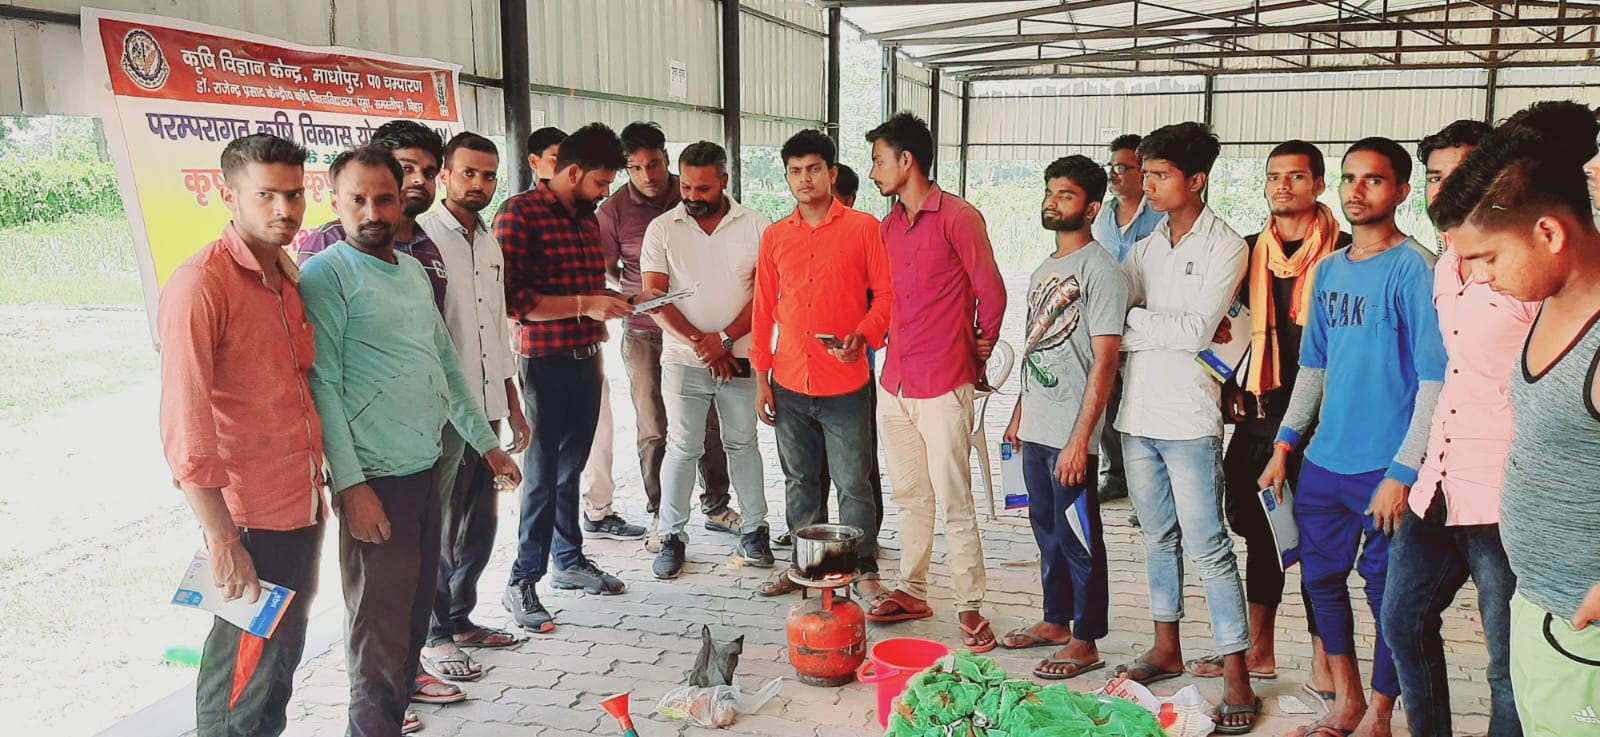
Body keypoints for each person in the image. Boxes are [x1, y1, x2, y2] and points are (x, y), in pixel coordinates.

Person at [300, 145, 520, 737]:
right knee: (379, 629)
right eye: (358, 200)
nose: (372, 212)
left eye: (384, 199)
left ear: (403, 200)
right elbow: (323, 386)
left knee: (413, 619)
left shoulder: (414, 271)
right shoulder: (326, 275)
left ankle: (390, 724)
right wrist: (352, 487)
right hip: (376, 480)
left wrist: (487, 445)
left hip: (425, 467)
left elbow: (446, 364)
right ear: (335, 201)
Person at [1260, 137, 1446, 737]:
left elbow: (1434, 379)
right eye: (1349, 178)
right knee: (1320, 581)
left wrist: (1404, 470)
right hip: (1324, 462)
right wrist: (1285, 445)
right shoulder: (1329, 269)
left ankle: (1381, 715)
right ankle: (1347, 700)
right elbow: (1313, 367)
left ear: (1401, 191)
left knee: (1388, 596)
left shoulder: (1415, 268)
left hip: (1385, 469)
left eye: (1373, 179)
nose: (1357, 190)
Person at [1429, 102, 1600, 737]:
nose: (1477, 278)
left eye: (1487, 258)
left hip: (1585, 624)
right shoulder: (1550, 298)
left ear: (1549, 233)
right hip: (1538, 599)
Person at [1383, 116, 1551, 737]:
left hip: (1505, 490)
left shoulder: (1529, 266)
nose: (1445, 189)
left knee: (1507, 659)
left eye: (1462, 175)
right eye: (1435, 177)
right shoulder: (1444, 265)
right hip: (1439, 480)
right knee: (1402, 624)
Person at [158, 134, 326, 737]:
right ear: (228, 195)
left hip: (301, 501)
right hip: (250, 519)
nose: (285, 209)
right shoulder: (201, 283)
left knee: (276, 665)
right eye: (266, 195)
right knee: (243, 678)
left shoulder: (287, 275)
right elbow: (186, 425)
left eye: (295, 194)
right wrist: (223, 538)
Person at [1112, 122, 1256, 732]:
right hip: (1137, 413)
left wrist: (1140, 323)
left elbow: (1198, 332)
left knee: (1209, 546)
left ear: (1196, 180)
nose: (1147, 184)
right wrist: (1146, 325)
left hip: (1191, 416)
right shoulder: (1144, 248)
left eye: (1160, 174)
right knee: (1157, 539)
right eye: (1144, 174)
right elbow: (1115, 320)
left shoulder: (1226, 245)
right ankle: (1166, 647)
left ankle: (1237, 673)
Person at [1194, 141, 1345, 701]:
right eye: (1274, 176)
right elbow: (1228, 328)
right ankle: (1259, 650)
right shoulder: (1248, 251)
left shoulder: (1344, 253)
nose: (1283, 186)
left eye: (1297, 176)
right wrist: (1229, 387)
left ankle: (1325, 664)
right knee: (1262, 536)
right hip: (1260, 416)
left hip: (1325, 423)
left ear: (1319, 185)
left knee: (1319, 546)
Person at [865, 112, 1006, 653]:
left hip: (944, 380)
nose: (874, 172)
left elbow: (991, 292)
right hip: (894, 380)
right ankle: (912, 589)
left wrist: (981, 345)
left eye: (880, 161)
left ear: (907, 161)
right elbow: (885, 300)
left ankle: (970, 604)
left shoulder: (959, 217)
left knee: (954, 499)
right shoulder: (888, 227)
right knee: (910, 494)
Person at [496, 123, 632, 633]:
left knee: (568, 472)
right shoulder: (519, 213)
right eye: (600, 183)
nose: (604, 194)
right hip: (544, 364)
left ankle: (568, 562)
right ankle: (522, 580)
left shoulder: (585, 219)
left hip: (588, 358)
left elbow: (588, 291)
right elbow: (514, 300)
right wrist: (585, 304)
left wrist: (614, 301)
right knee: (540, 477)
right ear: (573, 172)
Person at [998, 155, 1127, 681]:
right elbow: (1037, 347)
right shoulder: (1043, 270)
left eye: (1066, 195)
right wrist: (1018, 411)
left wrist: (1082, 440)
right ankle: (1055, 621)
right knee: (1046, 529)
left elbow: (1105, 361)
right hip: (1036, 428)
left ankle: (1085, 639)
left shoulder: (1101, 271)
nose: (1052, 202)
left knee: (1079, 537)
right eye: (1050, 192)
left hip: (1072, 434)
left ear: (1092, 208)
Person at [751, 129, 892, 600]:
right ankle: (807, 566)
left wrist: (864, 335)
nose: (804, 179)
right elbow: (763, 311)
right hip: (789, 380)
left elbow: (886, 296)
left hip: (846, 383)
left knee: (853, 483)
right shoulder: (775, 237)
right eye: (795, 171)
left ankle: (862, 570)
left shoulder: (864, 228)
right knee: (800, 482)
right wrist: (762, 380)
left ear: (831, 173)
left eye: (813, 169)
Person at [415, 133, 533, 684]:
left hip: (487, 408)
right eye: (468, 173)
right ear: (444, 176)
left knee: (479, 523)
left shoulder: (489, 243)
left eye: (488, 176)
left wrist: (514, 404)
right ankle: (434, 634)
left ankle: (461, 619)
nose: (479, 185)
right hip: (443, 411)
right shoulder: (423, 240)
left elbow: (496, 333)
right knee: (439, 527)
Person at [594, 121, 737, 547]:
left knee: (709, 423)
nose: (648, 175)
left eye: (653, 164)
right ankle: (662, 512)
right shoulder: (613, 211)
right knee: (654, 426)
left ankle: (716, 505)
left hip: (701, 331)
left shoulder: (693, 191)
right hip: (645, 333)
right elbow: (608, 267)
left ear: (666, 158)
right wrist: (637, 294)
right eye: (636, 168)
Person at [638, 140, 774, 578]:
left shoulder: (756, 226)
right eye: (687, 187)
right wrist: (704, 344)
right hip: (684, 358)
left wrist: (726, 339)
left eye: (703, 189)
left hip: (741, 357)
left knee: (743, 443)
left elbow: (766, 296)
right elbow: (654, 296)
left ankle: (755, 531)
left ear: (725, 182)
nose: (693, 196)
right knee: (682, 446)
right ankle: (671, 536)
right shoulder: (663, 228)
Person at [295, 121, 448, 313]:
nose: (420, 180)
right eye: (406, 169)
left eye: (429, 173)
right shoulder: (329, 240)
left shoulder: (428, 248)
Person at [1091, 133, 1162, 505]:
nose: (1113, 174)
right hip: (1107, 322)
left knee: (1144, 403)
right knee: (1106, 398)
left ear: (1143, 172)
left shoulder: (1161, 215)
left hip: (1148, 324)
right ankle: (1116, 474)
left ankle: (1148, 486)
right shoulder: (1100, 216)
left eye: (1123, 167)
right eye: (1111, 167)